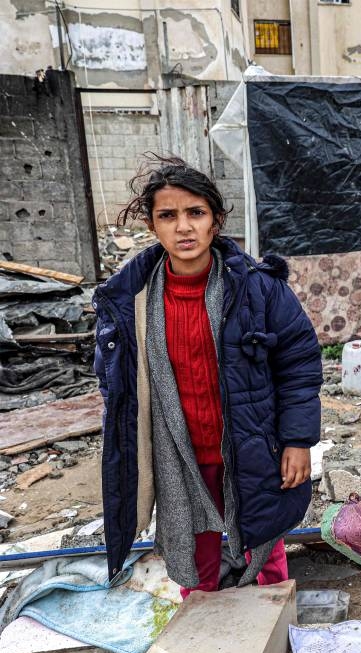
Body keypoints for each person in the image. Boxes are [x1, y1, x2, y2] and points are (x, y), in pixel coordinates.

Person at [93, 156, 323, 596]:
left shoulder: (257, 288)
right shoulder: (131, 300)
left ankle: (270, 633)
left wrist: (297, 441)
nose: (183, 228)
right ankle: (204, 638)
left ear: (216, 221)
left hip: (251, 442)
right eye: (168, 216)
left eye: (195, 213)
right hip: (178, 453)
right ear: (151, 226)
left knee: (261, 543)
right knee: (194, 556)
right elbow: (114, 381)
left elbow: (299, 363)